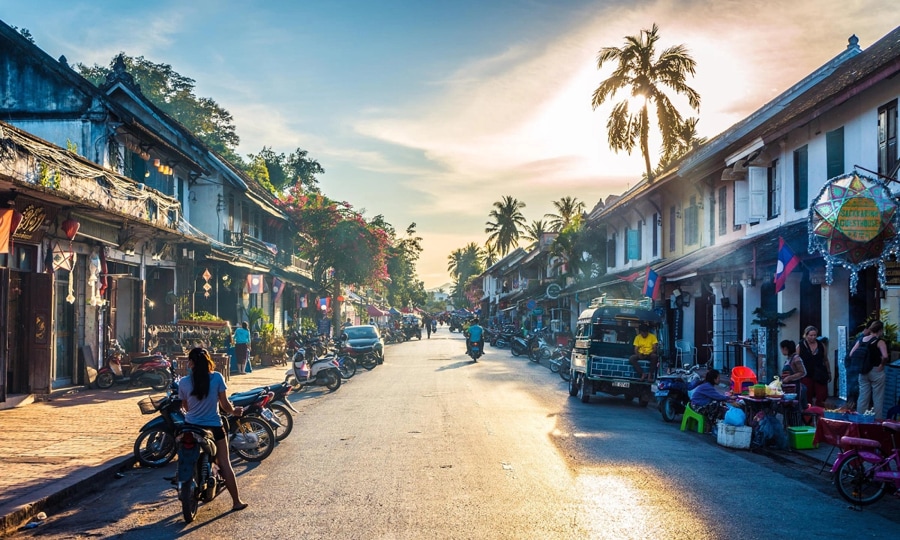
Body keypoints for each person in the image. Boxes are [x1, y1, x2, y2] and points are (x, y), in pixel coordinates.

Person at [178, 348, 248, 512]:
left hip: (190, 426)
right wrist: (234, 412)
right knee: (224, 462)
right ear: (208, 361)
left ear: (190, 363)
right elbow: (224, 404)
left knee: (183, 455)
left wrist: (195, 414)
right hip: (214, 427)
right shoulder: (217, 378)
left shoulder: (184, 382)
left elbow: (185, 406)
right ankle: (236, 501)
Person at [850, 320, 889, 419]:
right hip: (876, 370)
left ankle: (860, 420)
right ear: (880, 330)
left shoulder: (861, 340)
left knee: (863, 397)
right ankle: (877, 421)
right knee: (878, 398)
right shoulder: (880, 342)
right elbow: (885, 356)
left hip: (863, 370)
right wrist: (882, 365)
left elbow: (851, 354)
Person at [798, 326, 830, 407]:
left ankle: (820, 413)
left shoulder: (821, 345)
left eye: (815, 335)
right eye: (811, 335)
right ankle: (808, 415)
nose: (813, 337)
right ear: (806, 335)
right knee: (807, 395)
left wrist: (829, 372)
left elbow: (825, 359)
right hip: (806, 373)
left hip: (820, 373)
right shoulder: (800, 346)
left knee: (822, 394)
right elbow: (796, 360)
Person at [780, 339, 807, 408]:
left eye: (781, 349)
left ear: (785, 348)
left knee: (795, 410)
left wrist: (789, 378)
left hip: (795, 389)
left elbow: (803, 372)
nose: (781, 351)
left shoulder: (796, 358)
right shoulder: (788, 359)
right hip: (787, 390)